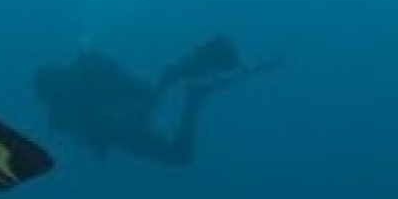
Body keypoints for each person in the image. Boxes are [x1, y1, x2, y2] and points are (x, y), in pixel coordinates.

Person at [30, 34, 272, 167]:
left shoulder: (60, 107)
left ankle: (192, 86)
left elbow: (92, 131)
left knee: (178, 153)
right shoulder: (72, 90)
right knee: (178, 153)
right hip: (128, 114)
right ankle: (192, 85)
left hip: (124, 123)